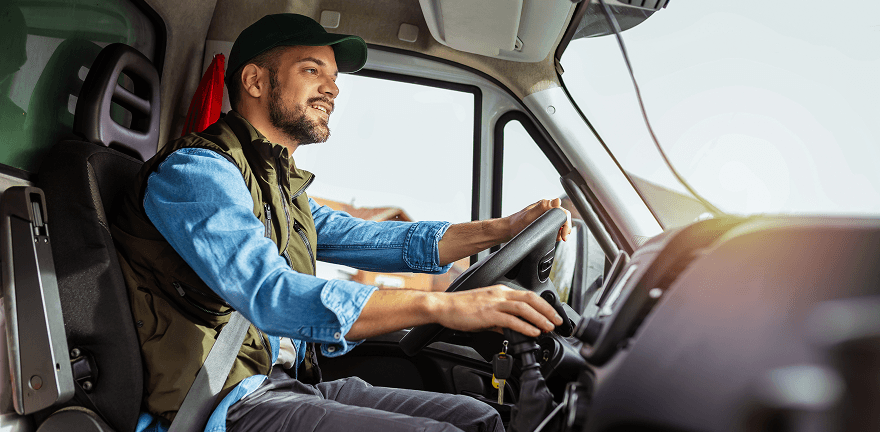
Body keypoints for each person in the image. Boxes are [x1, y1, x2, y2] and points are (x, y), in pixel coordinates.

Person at [111, 13, 571, 432]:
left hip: (285, 385)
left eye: (333, 78)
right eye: (312, 70)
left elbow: (382, 240)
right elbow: (271, 296)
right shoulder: (196, 174)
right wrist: (443, 307)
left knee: (479, 418)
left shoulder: (281, 189)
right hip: (221, 406)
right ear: (254, 80)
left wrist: (503, 229)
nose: (333, 89)